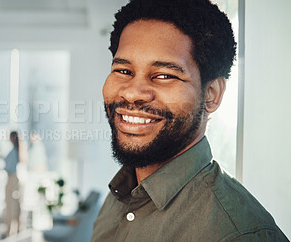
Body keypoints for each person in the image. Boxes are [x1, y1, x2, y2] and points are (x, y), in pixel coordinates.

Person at [90, 0, 288, 241]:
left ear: (211, 94)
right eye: (123, 71)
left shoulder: (237, 234)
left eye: (164, 75)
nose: (132, 93)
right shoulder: (118, 198)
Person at [1, 131, 23, 239]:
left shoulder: (14, 151)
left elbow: (9, 167)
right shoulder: (17, 150)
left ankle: (8, 230)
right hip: (15, 179)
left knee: (9, 205)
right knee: (15, 204)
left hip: (11, 179)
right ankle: (18, 228)